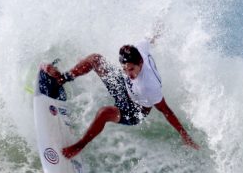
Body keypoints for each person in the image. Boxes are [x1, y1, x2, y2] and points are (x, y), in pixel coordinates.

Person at [41, 32, 199, 159]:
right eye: (125, 69)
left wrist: (184, 135)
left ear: (141, 63)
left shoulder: (149, 87)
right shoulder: (139, 49)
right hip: (124, 89)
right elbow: (150, 39)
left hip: (135, 110)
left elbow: (166, 111)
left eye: (131, 69)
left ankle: (79, 146)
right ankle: (61, 79)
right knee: (95, 59)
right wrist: (158, 31)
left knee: (104, 113)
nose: (129, 73)